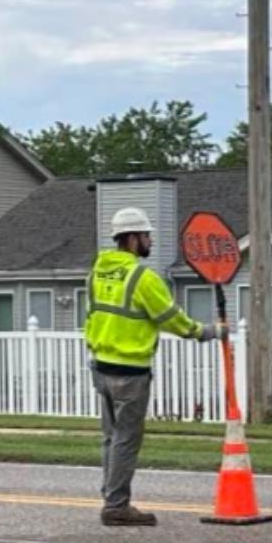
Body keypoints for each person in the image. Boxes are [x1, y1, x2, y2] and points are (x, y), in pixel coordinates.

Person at [84, 207, 221, 526]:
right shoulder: (142, 277)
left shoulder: (96, 272)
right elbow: (170, 317)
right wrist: (204, 332)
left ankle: (111, 494)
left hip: (101, 366)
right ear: (132, 239)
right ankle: (116, 505)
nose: (150, 242)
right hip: (129, 371)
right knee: (125, 439)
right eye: (146, 236)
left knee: (111, 438)